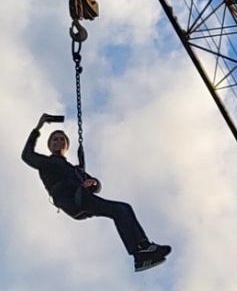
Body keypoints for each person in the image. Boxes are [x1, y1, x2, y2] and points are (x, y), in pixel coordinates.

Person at [21, 113, 171, 272]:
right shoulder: (46, 163)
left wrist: (93, 183)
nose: (58, 141)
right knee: (119, 210)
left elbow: (95, 185)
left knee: (123, 209)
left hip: (82, 199)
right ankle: (142, 251)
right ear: (49, 146)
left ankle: (142, 251)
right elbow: (26, 156)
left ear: (66, 146)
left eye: (61, 139)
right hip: (71, 201)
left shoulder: (75, 170)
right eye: (54, 139)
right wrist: (38, 128)